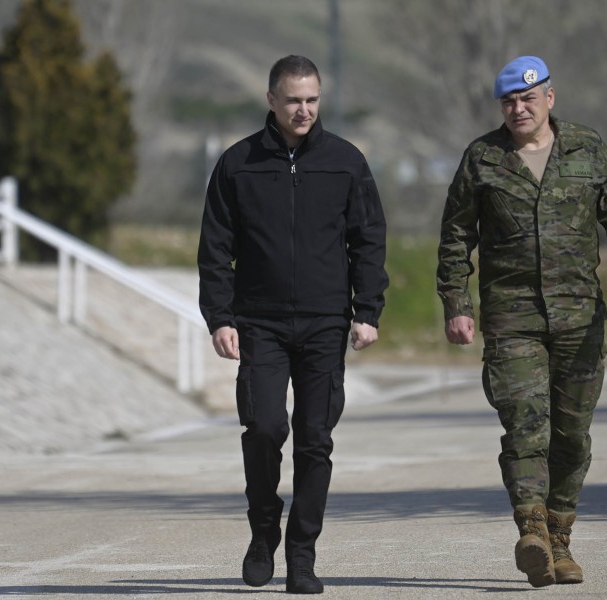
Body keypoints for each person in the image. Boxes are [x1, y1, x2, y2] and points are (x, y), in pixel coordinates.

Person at [436, 56, 607, 588]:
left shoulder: (588, 149)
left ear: (549, 99)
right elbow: (455, 237)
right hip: (512, 318)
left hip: (580, 318)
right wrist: (457, 305)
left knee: (573, 435)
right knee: (525, 424)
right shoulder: (482, 158)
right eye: (509, 102)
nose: (518, 109)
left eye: (528, 99)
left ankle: (560, 541)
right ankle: (531, 529)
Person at [198, 54, 388, 595]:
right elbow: (215, 248)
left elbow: (369, 240)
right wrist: (220, 317)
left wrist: (367, 310)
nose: (303, 110)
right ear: (271, 101)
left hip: (327, 322)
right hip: (258, 323)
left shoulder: (346, 162)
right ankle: (264, 532)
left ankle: (301, 556)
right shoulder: (237, 164)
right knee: (263, 429)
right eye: (293, 101)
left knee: (314, 440)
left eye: (311, 100)